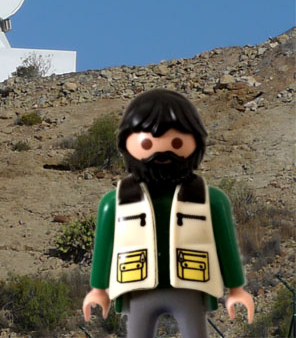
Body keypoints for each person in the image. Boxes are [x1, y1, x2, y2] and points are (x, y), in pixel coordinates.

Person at [82, 89, 254, 337]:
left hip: (192, 285)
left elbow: (226, 247)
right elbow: (105, 246)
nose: (162, 152)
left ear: (195, 141)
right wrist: (99, 289)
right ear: (127, 143)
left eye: (176, 143)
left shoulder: (211, 200)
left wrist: (236, 288)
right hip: (137, 286)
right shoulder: (115, 202)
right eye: (147, 143)